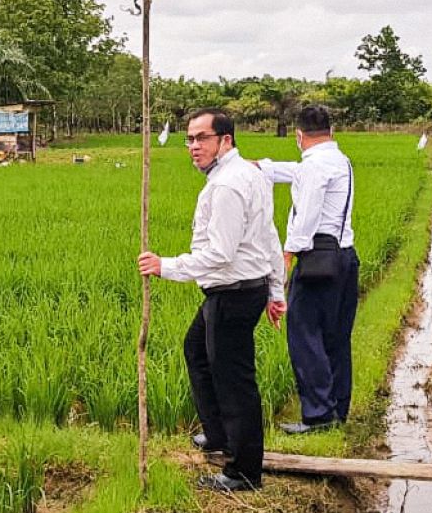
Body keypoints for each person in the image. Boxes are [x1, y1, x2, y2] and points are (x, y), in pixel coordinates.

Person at [137, 108, 286, 492]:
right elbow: (268, 237)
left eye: (201, 138)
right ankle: (218, 434)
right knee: (197, 351)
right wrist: (275, 290)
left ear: (225, 141)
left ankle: (243, 472)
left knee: (234, 380)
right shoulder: (247, 174)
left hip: (232, 293)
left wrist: (163, 265)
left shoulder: (227, 186)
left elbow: (220, 253)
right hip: (241, 289)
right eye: (189, 139)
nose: (193, 146)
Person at [256, 105, 359, 434]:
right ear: (332, 130)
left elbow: (309, 211)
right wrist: (259, 167)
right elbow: (292, 172)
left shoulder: (314, 167)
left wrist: (289, 251)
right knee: (337, 337)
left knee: (304, 334)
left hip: (318, 259)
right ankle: (336, 410)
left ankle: (317, 416)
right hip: (344, 257)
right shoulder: (339, 160)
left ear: (299, 136)